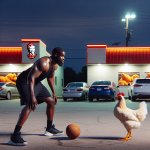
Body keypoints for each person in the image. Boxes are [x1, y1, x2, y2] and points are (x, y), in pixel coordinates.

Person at [9, 47, 65, 146]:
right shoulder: (43, 62)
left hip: (36, 83)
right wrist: (32, 96)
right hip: (24, 82)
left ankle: (49, 128)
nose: (63, 59)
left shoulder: (54, 66)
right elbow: (31, 78)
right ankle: (15, 136)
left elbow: (51, 78)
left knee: (51, 102)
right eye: (62, 56)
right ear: (56, 55)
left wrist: (54, 93)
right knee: (30, 105)